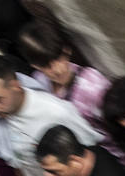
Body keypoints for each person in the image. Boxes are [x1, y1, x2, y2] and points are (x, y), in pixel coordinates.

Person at [16, 18, 118, 158]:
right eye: (47, 66)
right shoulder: (39, 84)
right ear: (35, 66)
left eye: (59, 58)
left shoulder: (91, 84)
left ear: (67, 50)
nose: (57, 70)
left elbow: (118, 129)